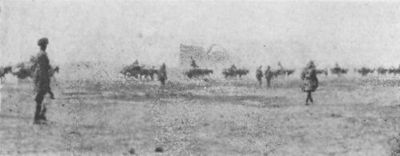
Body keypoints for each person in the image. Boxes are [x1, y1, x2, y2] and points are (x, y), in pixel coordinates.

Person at [31, 37, 53, 124]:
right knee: (41, 97)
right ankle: (38, 117)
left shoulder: (39, 54)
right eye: (45, 44)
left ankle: (39, 116)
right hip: (42, 78)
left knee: (41, 97)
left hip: (39, 77)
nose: (46, 46)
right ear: (43, 45)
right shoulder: (42, 55)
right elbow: (43, 68)